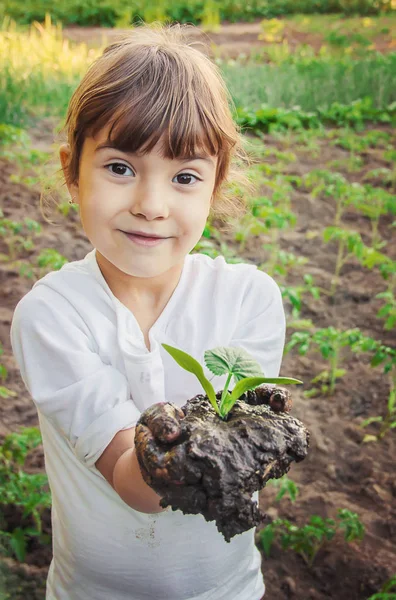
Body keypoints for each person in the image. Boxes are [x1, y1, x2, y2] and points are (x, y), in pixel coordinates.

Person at [10, 21, 286, 600]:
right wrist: (245, 440)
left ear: (215, 187)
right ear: (71, 170)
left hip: (226, 589)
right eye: (120, 167)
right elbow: (138, 485)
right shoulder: (54, 315)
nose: (151, 206)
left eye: (184, 177)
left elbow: (251, 454)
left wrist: (262, 436)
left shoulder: (248, 300)